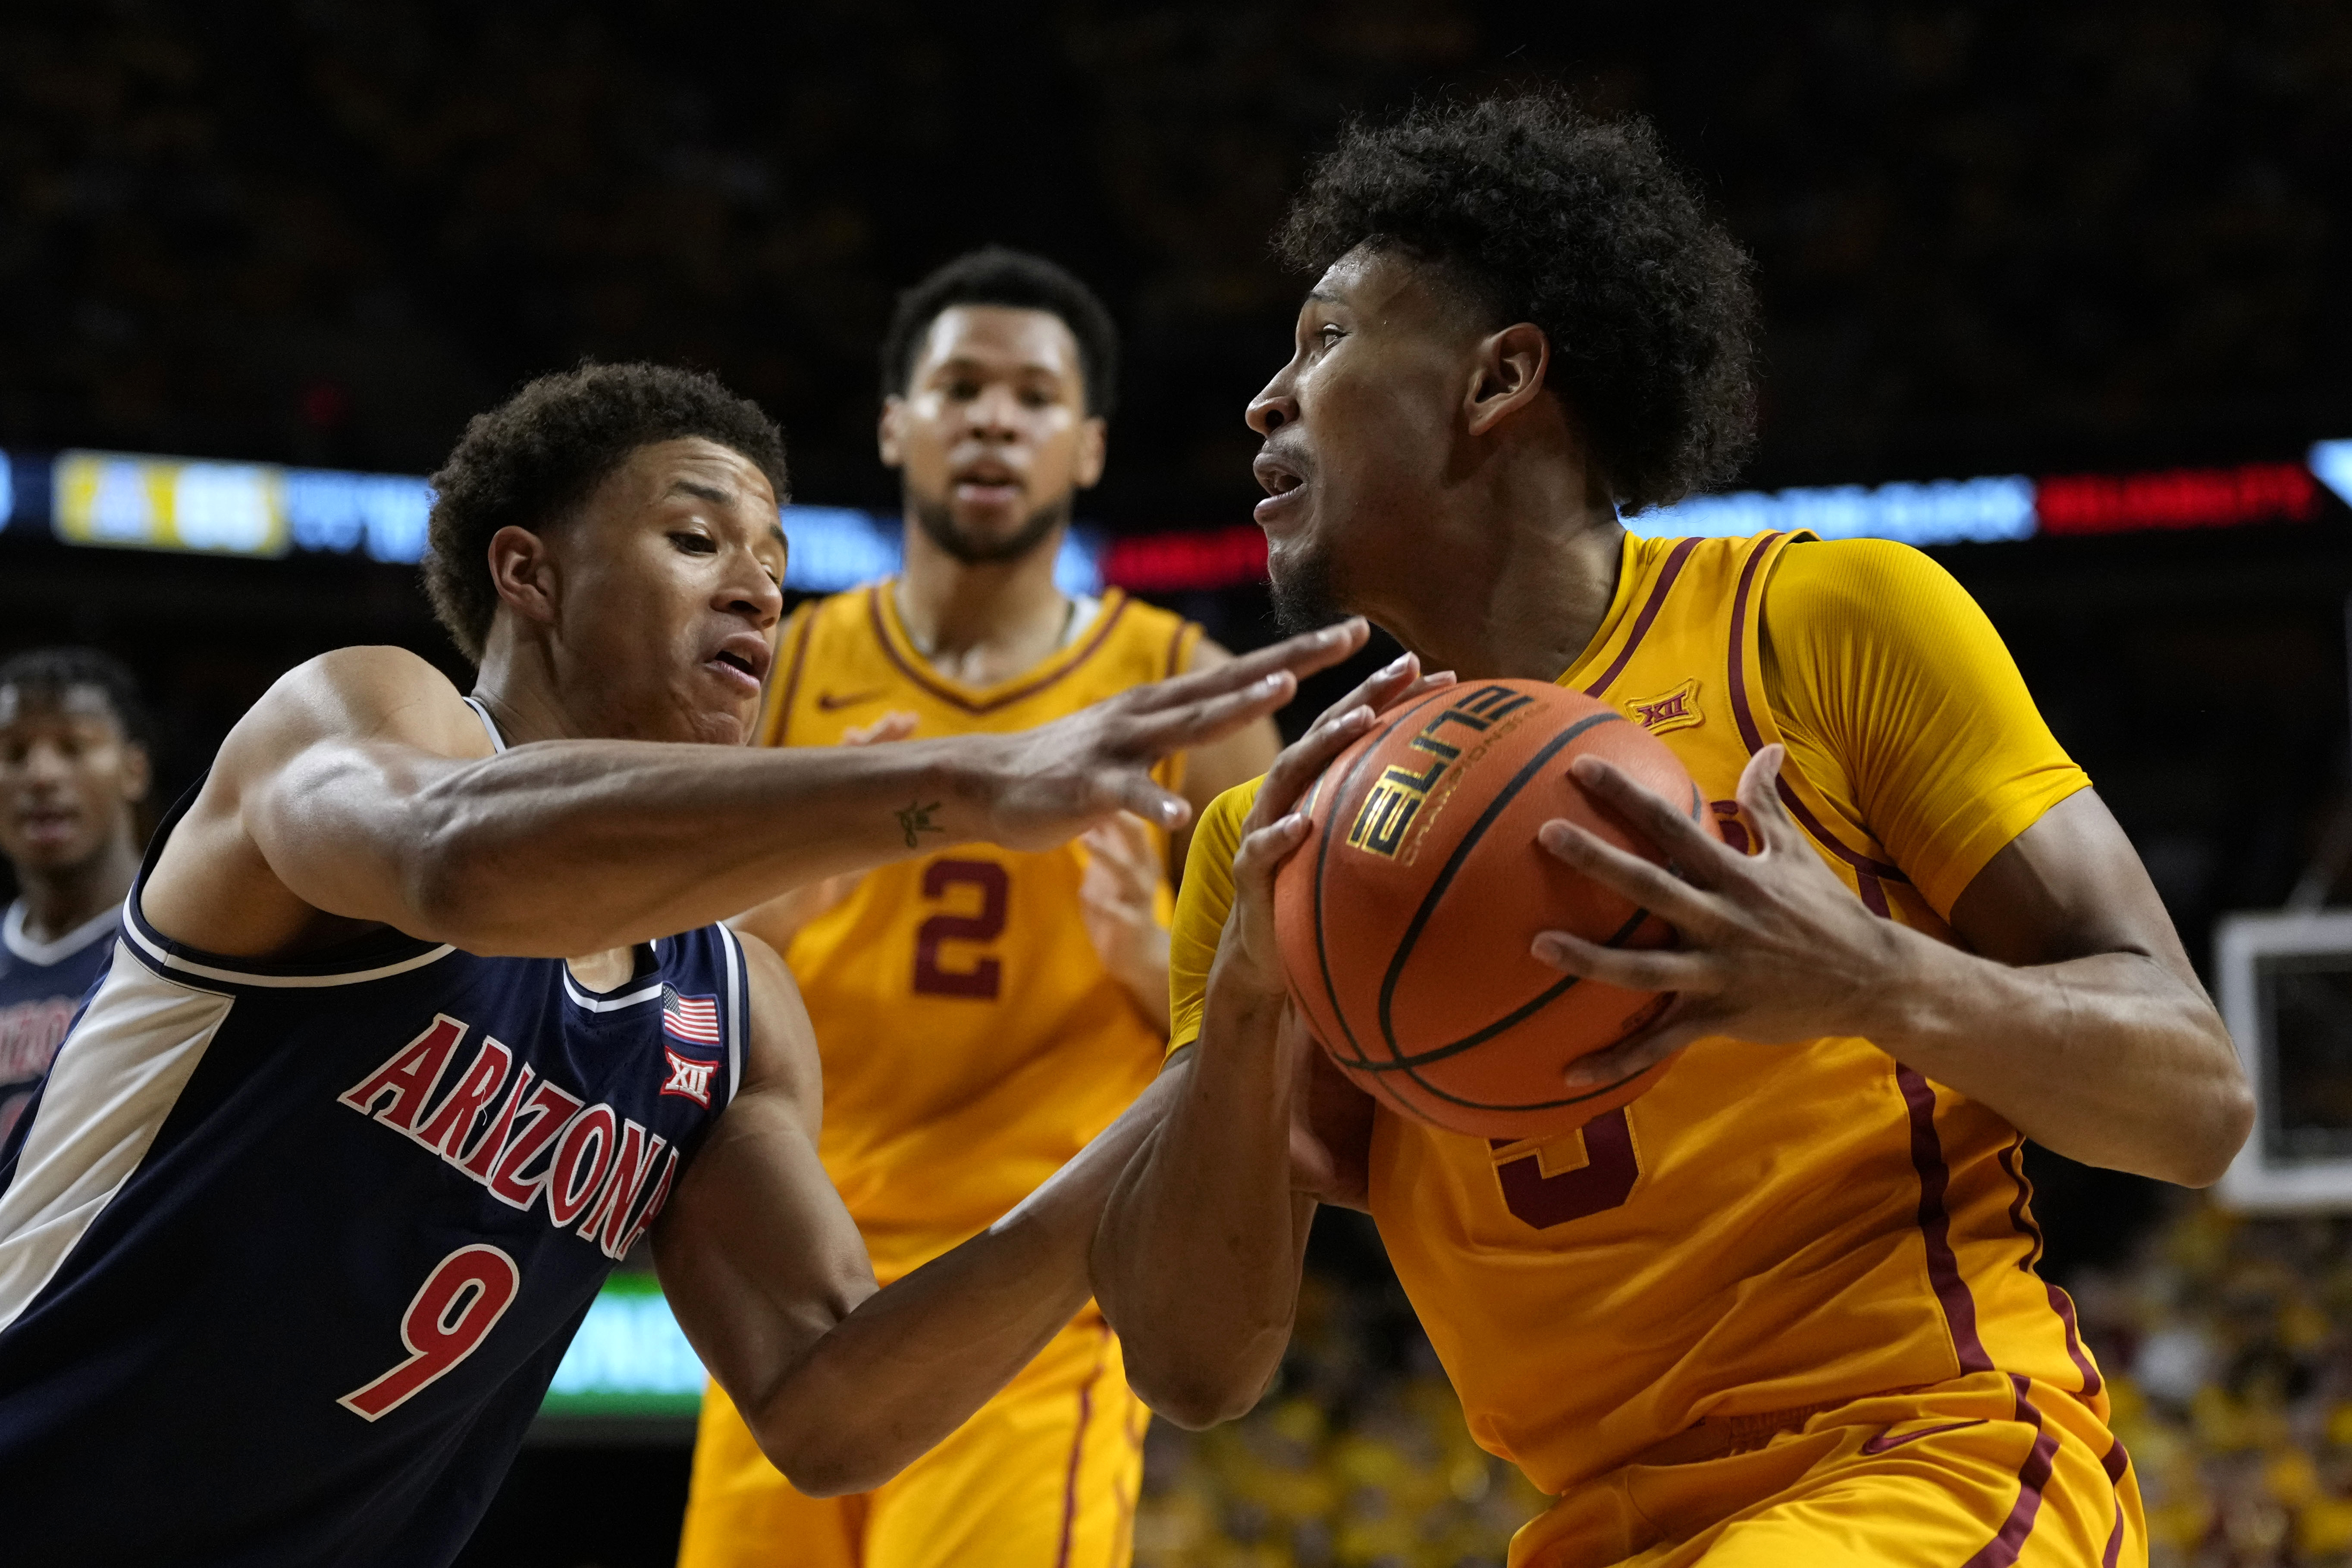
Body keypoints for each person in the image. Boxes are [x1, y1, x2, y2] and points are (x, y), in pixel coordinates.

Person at [1092, 95, 2252, 1568]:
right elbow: (1193, 1369)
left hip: (1924, 1458)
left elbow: (2197, 1102)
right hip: (1597, 1530)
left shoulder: (1818, 625)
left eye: (1321, 339)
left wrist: (1875, 979)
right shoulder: (1271, 840)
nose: (1264, 398)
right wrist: (1253, 996)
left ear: (1499, 377)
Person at [0, 362, 1359, 1566]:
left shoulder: (731, 1006)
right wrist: (966, 781)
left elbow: (836, 1403)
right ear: (528, 573)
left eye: (774, 556)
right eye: (697, 537)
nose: (760, 585)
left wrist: (1204, 1076)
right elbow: (455, 865)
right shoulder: (359, 714)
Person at [679, 249, 1279, 1568]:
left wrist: (1151, 969)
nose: (994, 418)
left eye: (1032, 396)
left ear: (1088, 448)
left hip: (1028, 1301)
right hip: (784, 1282)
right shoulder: (777, 671)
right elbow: (659, 965)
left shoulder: (1196, 695)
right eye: (958, 387)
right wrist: (776, 899)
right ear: (896, 424)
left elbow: (1281, 1039)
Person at [0, 647, 153, 1146]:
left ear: (134, 771)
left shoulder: (195, 939)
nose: (42, 775)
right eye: (14, 754)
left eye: (74, 746)